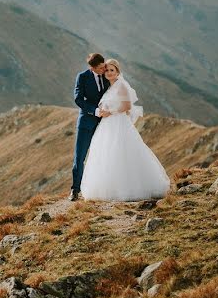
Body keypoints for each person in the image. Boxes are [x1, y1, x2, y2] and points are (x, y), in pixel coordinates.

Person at [80, 59, 171, 202]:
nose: (109, 73)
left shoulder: (121, 85)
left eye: (112, 70)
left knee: (121, 151)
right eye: (107, 70)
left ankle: (129, 187)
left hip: (117, 122)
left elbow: (127, 106)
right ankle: (109, 187)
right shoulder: (110, 87)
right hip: (107, 124)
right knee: (107, 153)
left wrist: (111, 111)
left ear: (117, 72)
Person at [70, 52, 110, 201]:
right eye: (100, 68)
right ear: (92, 68)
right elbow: (78, 99)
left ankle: (101, 188)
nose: (103, 69)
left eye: (104, 66)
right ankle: (75, 190)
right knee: (80, 156)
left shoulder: (107, 75)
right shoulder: (82, 77)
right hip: (86, 122)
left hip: (105, 124)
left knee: (103, 156)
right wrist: (96, 111)